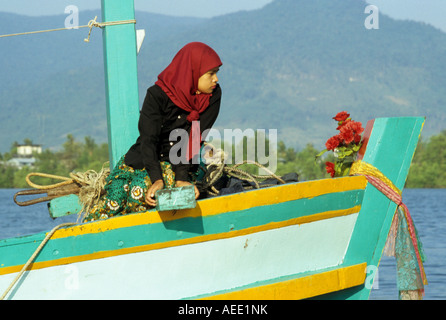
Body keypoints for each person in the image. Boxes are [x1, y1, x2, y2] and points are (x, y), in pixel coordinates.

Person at [84, 42, 222, 222]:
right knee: (115, 198)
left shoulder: (213, 96)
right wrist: (157, 178)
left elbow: (194, 139)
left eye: (216, 73)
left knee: (140, 193)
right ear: (192, 71)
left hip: (181, 163)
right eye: (211, 74)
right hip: (146, 159)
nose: (216, 79)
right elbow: (148, 140)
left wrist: (181, 178)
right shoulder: (157, 95)